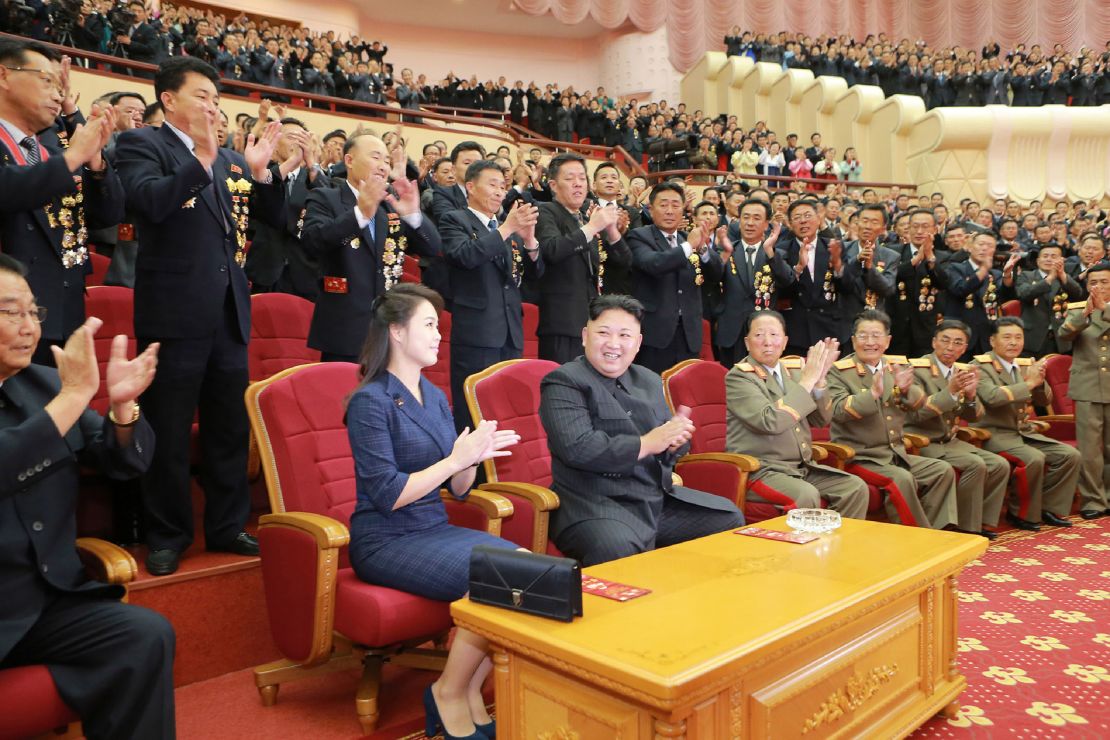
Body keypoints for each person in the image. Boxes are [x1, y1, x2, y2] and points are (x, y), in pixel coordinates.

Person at [114, 56, 290, 576]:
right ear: (168, 100)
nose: (212, 106)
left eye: (216, 99)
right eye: (201, 96)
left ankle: (227, 524)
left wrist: (262, 176)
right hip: (173, 313)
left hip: (229, 313)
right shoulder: (143, 144)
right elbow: (147, 202)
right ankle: (167, 534)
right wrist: (200, 162)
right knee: (167, 428)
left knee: (228, 429)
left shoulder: (233, 159)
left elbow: (273, 220)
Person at [0, 254, 174, 739]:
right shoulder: (64, 393)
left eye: (34, 313)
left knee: (144, 636)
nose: (29, 327)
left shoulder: (46, 385)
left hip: (44, 602)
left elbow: (126, 462)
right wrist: (75, 396)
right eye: (11, 312)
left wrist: (121, 407)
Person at [345, 284, 519, 740]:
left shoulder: (434, 395)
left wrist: (472, 459)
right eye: (428, 325)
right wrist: (454, 461)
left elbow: (458, 490)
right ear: (396, 332)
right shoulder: (370, 401)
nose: (440, 336)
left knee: (527, 569)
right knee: (500, 578)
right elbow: (387, 493)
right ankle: (446, 692)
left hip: (432, 527)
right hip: (386, 538)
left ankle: (467, 692)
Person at [539, 294, 745, 566]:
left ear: (637, 344)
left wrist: (675, 442)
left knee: (728, 518)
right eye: (603, 333)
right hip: (592, 505)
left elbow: (666, 447)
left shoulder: (647, 379)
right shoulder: (564, 381)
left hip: (652, 500)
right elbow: (578, 448)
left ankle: (687, 600)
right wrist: (648, 443)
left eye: (625, 336)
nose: (613, 344)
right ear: (585, 336)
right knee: (616, 546)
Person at [0, 40, 125, 365]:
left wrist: (96, 164)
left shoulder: (52, 155)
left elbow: (106, 216)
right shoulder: (61, 159)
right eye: (47, 81)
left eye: (61, 86)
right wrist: (73, 157)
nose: (58, 95)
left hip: (62, 310)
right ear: (3, 75)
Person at [301, 132, 442, 362]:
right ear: (349, 161)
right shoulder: (326, 197)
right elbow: (313, 242)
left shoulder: (391, 205)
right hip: (345, 327)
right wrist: (359, 214)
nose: (383, 166)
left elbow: (432, 248)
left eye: (386, 160)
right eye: (376, 157)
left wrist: (413, 215)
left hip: (390, 328)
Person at [725, 311, 869, 518]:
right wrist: (808, 381)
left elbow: (821, 420)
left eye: (774, 335)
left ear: (784, 342)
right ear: (747, 343)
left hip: (801, 468)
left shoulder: (792, 373)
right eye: (759, 335)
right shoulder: (739, 377)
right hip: (762, 471)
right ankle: (804, 550)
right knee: (806, 495)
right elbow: (770, 422)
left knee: (854, 488)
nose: (767, 342)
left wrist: (819, 381)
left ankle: (837, 548)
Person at [826, 309, 959, 529]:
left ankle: (940, 532)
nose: (870, 342)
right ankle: (916, 539)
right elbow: (837, 410)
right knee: (901, 479)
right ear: (853, 340)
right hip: (860, 457)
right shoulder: (839, 371)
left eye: (876, 336)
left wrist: (907, 390)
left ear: (887, 341)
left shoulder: (895, 366)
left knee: (941, 470)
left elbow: (918, 406)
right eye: (863, 336)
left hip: (895, 453)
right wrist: (872, 395)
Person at [440, 160, 542, 432]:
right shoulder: (455, 219)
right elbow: (465, 256)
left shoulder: (506, 228)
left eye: (503, 186)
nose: (500, 192)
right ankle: (471, 473)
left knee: (503, 408)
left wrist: (530, 241)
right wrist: (507, 229)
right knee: (473, 409)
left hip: (510, 331)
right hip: (477, 332)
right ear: (471, 187)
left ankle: (500, 470)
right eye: (492, 185)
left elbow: (534, 275)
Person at [971, 317, 1081, 530]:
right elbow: (993, 397)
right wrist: (1029, 383)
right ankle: (1019, 513)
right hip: (994, 433)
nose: (1013, 343)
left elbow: (1044, 401)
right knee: (1033, 458)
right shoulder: (980, 366)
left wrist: (1038, 383)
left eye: (1018, 337)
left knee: (1069, 455)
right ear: (992, 341)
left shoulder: (1023, 365)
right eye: (1007, 337)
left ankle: (1048, 507)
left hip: (1024, 432)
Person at [904, 320, 1009, 538]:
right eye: (945, 340)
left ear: (964, 348)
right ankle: (965, 527)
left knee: (999, 464)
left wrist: (971, 396)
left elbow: (975, 416)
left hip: (951, 441)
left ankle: (981, 521)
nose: (950, 347)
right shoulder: (916, 370)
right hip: (922, 441)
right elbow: (917, 414)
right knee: (975, 464)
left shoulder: (961, 371)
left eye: (957, 343)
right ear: (934, 342)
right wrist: (950, 392)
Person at [535, 152, 632, 363]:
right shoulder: (546, 212)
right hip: (561, 322)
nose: (578, 184)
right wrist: (592, 227)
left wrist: (612, 230)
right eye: (570, 179)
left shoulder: (587, 217)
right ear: (553, 184)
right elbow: (552, 250)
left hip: (590, 321)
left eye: (582, 178)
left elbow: (624, 261)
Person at [626, 182, 723, 374]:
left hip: (689, 333)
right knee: (653, 390)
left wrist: (703, 249)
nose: (670, 211)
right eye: (663, 205)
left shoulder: (688, 238)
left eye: (675, 205)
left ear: (683, 210)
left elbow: (716, 273)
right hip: (655, 333)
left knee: (687, 392)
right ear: (651, 210)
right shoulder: (638, 236)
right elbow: (654, 264)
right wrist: (689, 246)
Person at [245, 117, 330, 299]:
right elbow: (258, 205)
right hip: (265, 273)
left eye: (302, 138)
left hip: (305, 276)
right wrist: (290, 162)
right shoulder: (260, 173)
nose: (297, 142)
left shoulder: (316, 179)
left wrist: (312, 163)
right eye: (291, 136)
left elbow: (328, 205)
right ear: (275, 145)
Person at [1055, 266, 1110, 519]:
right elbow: (1063, 337)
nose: (1098, 286)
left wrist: (1104, 311)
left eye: (1105, 282)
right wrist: (1084, 315)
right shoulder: (1078, 309)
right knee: (1089, 449)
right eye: (1094, 282)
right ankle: (1093, 501)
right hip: (1088, 385)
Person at [713, 200, 791, 366]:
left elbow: (786, 281)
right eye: (745, 217)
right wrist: (724, 255)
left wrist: (770, 252)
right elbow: (711, 281)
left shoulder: (776, 254)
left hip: (765, 334)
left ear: (766, 224)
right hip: (731, 332)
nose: (750, 223)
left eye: (756, 218)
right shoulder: (726, 250)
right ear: (738, 221)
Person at [1014, 243, 1083, 356]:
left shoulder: (1064, 278)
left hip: (1060, 337)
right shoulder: (1027, 276)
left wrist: (1062, 275)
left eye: (1053, 256)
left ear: (1062, 260)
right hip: (1033, 337)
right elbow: (1024, 294)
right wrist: (1050, 278)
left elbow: (1078, 294)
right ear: (1038, 260)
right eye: (1045, 256)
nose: (1049, 259)